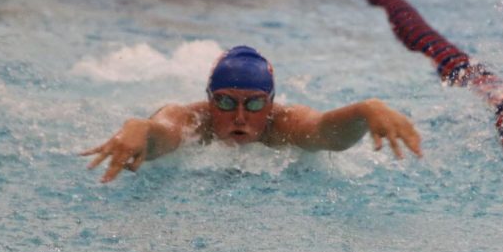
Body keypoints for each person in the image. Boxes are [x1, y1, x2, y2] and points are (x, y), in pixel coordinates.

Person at [82, 46, 422, 183]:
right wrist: (139, 127)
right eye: (227, 103)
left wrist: (366, 110)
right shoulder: (192, 120)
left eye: (256, 104)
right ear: (209, 101)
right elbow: (162, 134)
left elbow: (326, 135)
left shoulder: (284, 124)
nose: (241, 117)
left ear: (271, 105)